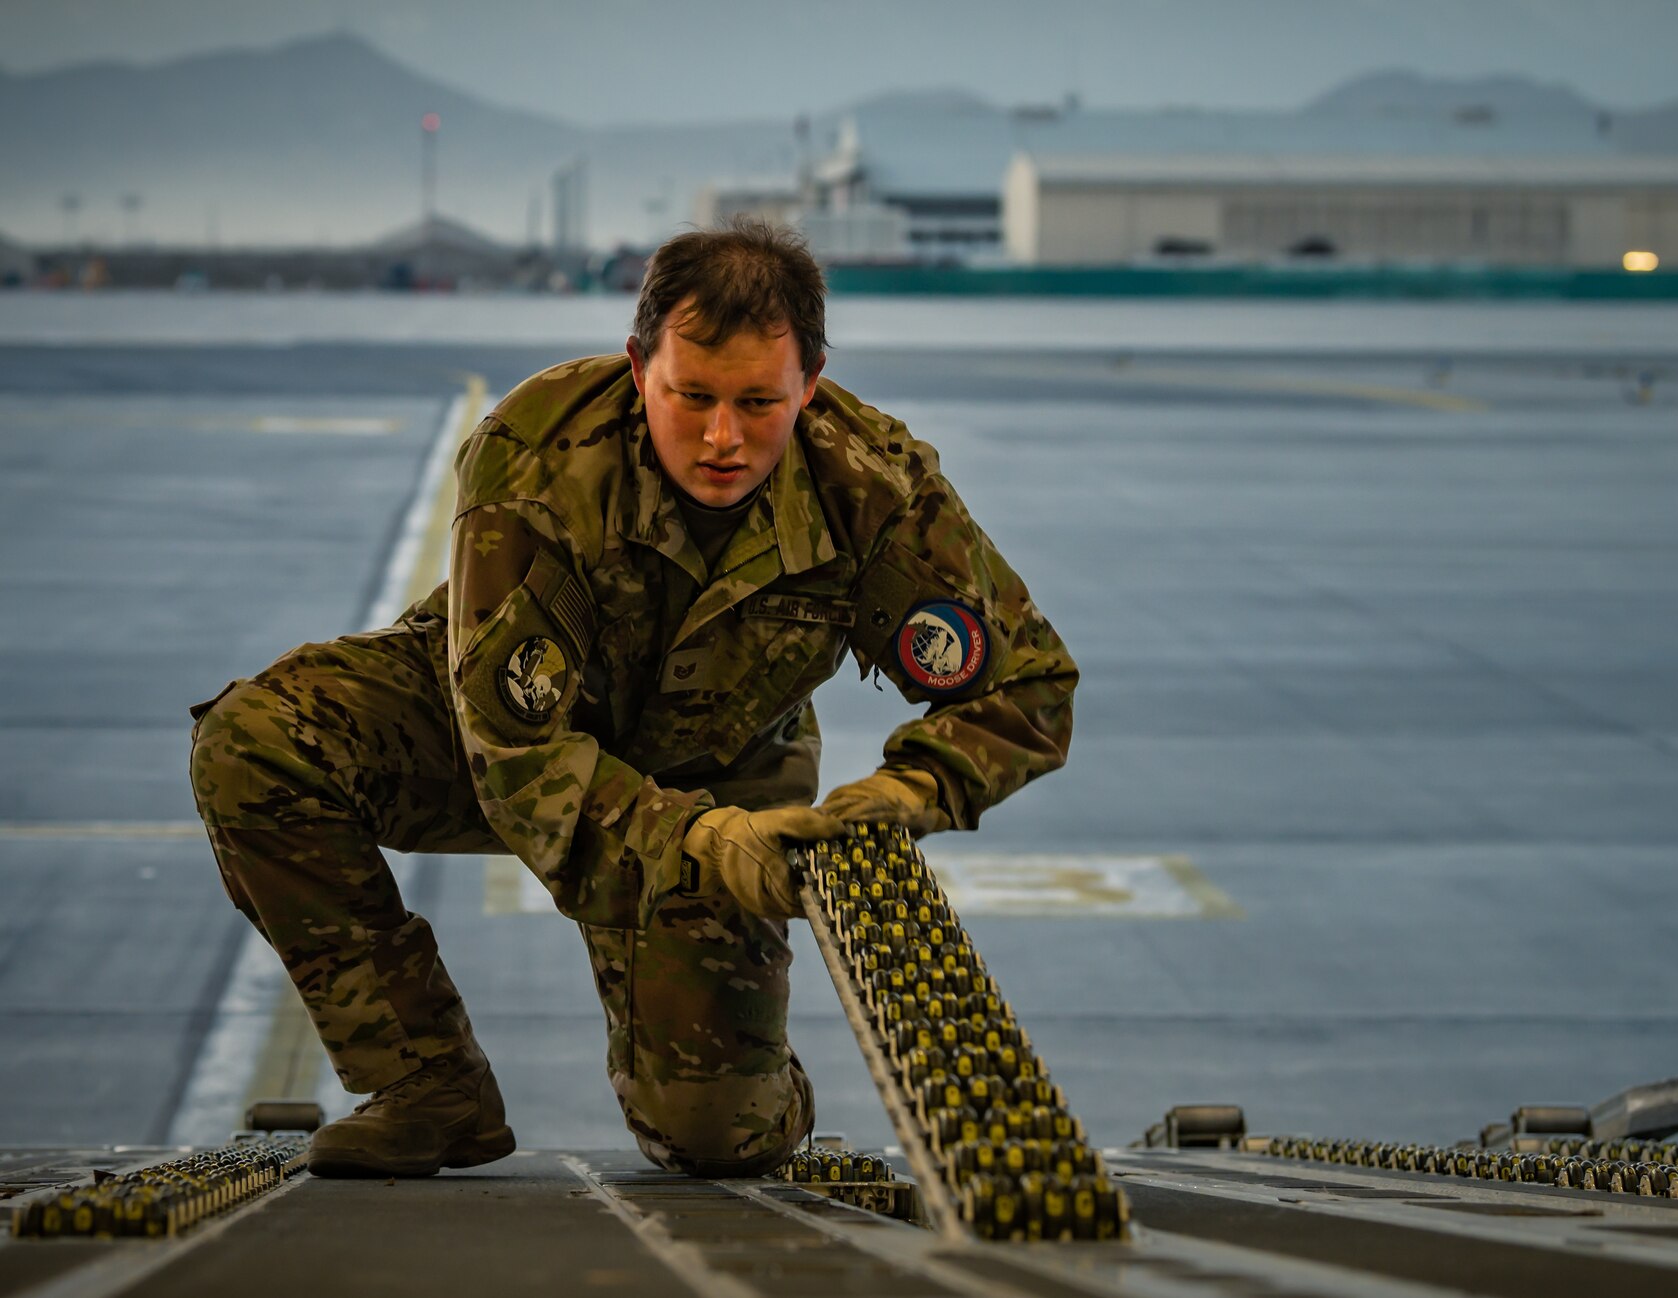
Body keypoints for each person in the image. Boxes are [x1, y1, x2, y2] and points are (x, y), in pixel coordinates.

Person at [188, 219, 1077, 1179]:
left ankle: (761, 1084)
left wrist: (906, 795)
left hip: (722, 768)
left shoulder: (871, 488)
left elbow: (1030, 685)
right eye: (689, 396)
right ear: (637, 364)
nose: (723, 438)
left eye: (758, 402)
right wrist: (698, 849)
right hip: (510, 723)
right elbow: (517, 756)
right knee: (257, 743)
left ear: (810, 384)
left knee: (715, 1138)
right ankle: (423, 1083)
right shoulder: (535, 462)